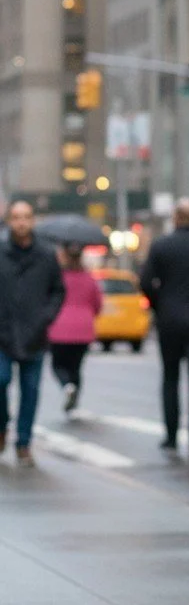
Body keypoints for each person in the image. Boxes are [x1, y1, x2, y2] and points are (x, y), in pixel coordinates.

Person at [140, 197, 189, 461]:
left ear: (175, 218)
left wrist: (159, 304)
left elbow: (144, 281)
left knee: (170, 379)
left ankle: (171, 438)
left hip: (170, 321)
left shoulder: (161, 246)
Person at [0, 200, 65, 466]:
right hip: (2, 334)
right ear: (9, 221)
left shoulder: (47, 254)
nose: (21, 222)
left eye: (26, 217)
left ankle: (23, 442)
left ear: (33, 220)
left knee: (31, 391)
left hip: (35, 335)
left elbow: (58, 291)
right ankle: (2, 425)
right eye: (16, 217)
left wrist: (46, 317)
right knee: (0, 381)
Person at [47, 242, 103, 411]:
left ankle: (66, 386)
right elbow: (98, 304)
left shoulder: (59, 277)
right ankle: (74, 391)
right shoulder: (89, 278)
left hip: (59, 327)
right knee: (76, 367)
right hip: (84, 329)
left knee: (57, 365)